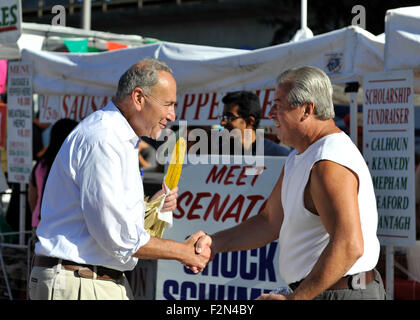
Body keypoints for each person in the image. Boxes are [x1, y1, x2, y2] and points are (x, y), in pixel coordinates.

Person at [195, 66, 385, 300]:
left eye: (278, 105)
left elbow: (349, 246)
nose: (271, 113)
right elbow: (269, 221)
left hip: (339, 293)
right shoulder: (301, 156)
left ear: (306, 109)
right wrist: (214, 243)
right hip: (326, 291)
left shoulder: (328, 161)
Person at [29, 58, 210, 300]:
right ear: (138, 98)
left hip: (87, 280)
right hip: (81, 282)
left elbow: (100, 220)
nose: (172, 115)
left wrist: (150, 208)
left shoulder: (115, 137)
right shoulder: (104, 138)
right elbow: (116, 235)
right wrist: (183, 252)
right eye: (168, 104)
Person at [28, 118, 78, 233]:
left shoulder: (41, 164)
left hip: (40, 221)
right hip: (65, 225)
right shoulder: (72, 165)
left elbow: (32, 197)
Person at [218, 90, 290, 156]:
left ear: (250, 121)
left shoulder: (278, 155)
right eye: (223, 118)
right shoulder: (218, 155)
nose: (222, 123)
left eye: (229, 118)